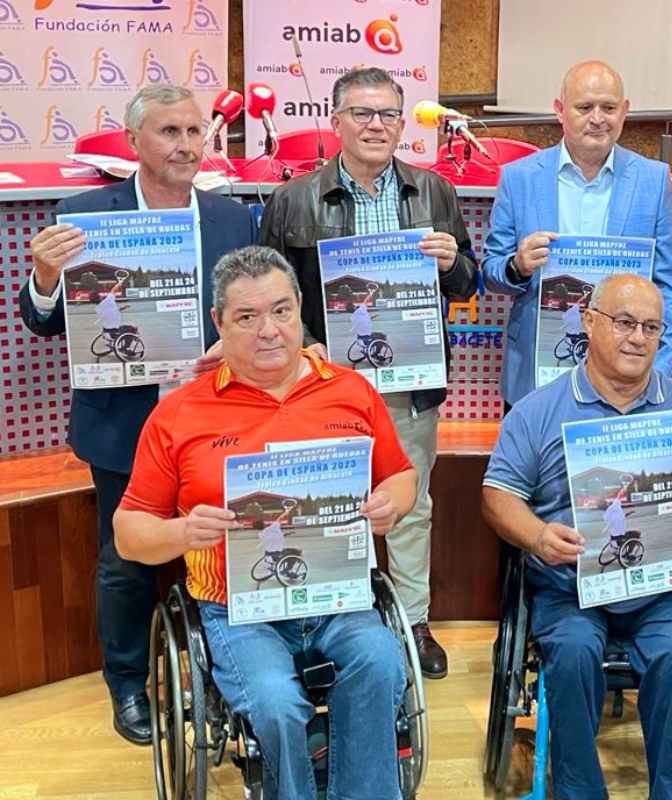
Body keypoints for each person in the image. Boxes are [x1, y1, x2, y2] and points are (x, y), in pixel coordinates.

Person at [114, 246, 417, 799]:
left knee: (379, 663)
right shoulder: (179, 412)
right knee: (276, 704)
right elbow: (129, 531)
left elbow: (400, 475)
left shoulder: (351, 391)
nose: (268, 331)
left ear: (301, 308)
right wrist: (183, 532)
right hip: (237, 608)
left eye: (281, 311)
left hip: (339, 598)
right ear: (219, 324)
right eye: (246, 318)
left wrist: (390, 503)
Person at [17, 83, 256, 745]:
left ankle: (222, 674)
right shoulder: (86, 214)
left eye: (194, 131)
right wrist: (43, 275)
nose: (186, 145)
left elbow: (255, 309)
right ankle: (127, 684)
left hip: (215, 419)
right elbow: (42, 321)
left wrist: (230, 342)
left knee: (219, 550)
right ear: (134, 143)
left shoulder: (234, 217)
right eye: (169, 132)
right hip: (125, 426)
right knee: (124, 563)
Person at [482, 274, 672, 799]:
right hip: (572, 585)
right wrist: (539, 536)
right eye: (624, 322)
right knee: (571, 655)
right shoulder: (539, 409)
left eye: (651, 327)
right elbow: (497, 496)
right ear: (589, 322)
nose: (637, 338)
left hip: (664, 588)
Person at [261, 67, 479, 679]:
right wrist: (306, 349)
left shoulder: (433, 191)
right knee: (326, 502)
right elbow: (272, 297)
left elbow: (467, 283)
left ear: (403, 122)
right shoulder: (292, 198)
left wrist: (452, 261)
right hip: (324, 387)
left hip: (409, 384)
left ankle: (413, 621)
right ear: (335, 122)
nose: (376, 125)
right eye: (362, 113)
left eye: (388, 114)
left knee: (412, 504)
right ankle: (336, 620)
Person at [483, 60, 672, 409]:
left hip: (627, 381)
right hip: (535, 380)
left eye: (608, 108)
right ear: (560, 111)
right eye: (584, 107)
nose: (597, 118)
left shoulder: (653, 181)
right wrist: (517, 266)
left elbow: (671, 286)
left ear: (624, 112)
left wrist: (660, 369)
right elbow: (491, 272)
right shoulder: (519, 178)